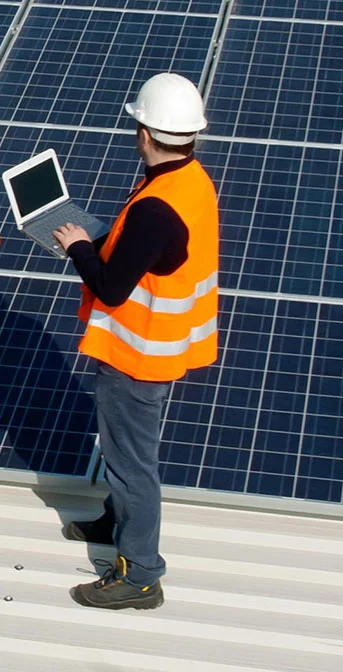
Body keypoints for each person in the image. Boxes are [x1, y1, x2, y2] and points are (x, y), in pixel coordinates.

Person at [52, 72, 220, 611]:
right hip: (160, 346)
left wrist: (79, 247)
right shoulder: (191, 181)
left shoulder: (155, 206)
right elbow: (149, 255)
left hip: (137, 354)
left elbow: (111, 285)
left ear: (145, 132)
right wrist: (100, 240)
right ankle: (115, 522)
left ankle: (141, 572)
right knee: (125, 455)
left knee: (130, 463)